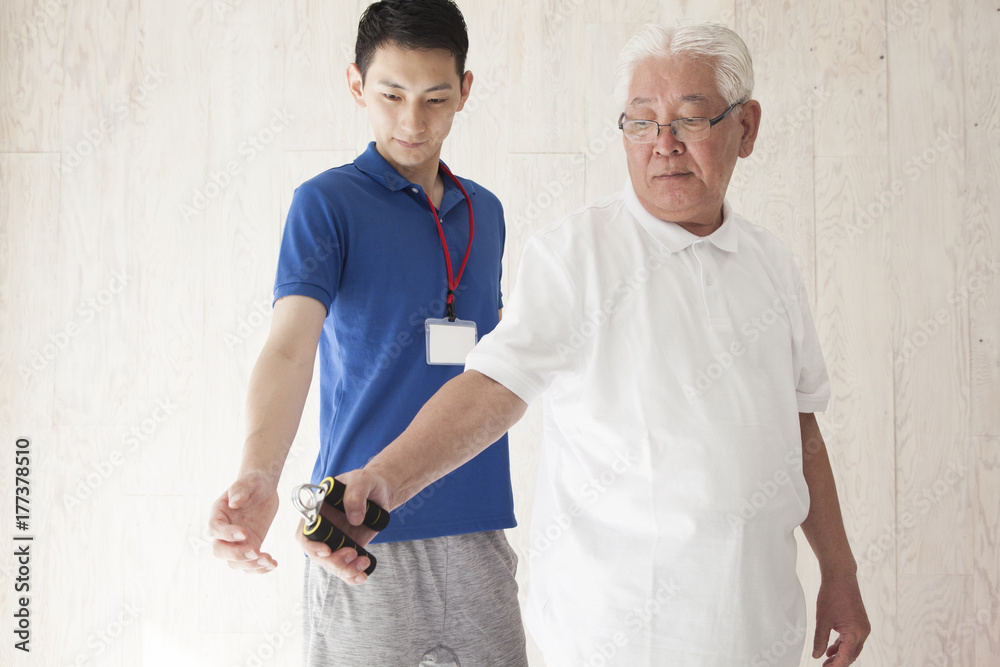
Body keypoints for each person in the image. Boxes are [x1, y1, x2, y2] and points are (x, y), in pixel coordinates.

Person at [329, 22, 871, 667]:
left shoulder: (771, 263)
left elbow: (801, 428)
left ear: (746, 128)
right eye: (640, 122)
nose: (662, 145)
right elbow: (493, 388)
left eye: (690, 120)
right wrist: (380, 482)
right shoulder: (576, 255)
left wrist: (840, 573)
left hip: (757, 630)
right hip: (615, 637)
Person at [207, 1, 528, 665]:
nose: (413, 121)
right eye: (391, 95)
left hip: (480, 529)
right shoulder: (326, 203)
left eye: (436, 98)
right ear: (356, 86)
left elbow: (497, 367)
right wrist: (259, 473)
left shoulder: (485, 212)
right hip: (358, 530)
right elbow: (290, 346)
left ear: (465, 92)